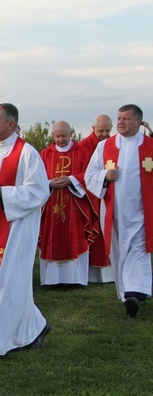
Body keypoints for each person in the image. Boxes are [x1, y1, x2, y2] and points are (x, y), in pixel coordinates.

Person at [0, 103, 51, 364]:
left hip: (17, 228)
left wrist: (4, 193)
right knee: (10, 284)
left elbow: (39, 191)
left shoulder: (27, 153)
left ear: (11, 124)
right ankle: (36, 326)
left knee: (5, 282)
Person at [85, 104, 153, 318]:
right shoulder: (105, 146)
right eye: (119, 118)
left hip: (143, 212)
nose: (121, 122)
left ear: (138, 122)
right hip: (114, 211)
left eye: (126, 118)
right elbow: (90, 174)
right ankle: (128, 295)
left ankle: (137, 292)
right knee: (119, 252)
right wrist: (105, 175)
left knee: (139, 250)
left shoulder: (150, 146)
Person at [38, 121, 95, 286]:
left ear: (71, 134)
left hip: (75, 205)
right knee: (51, 238)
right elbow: (36, 178)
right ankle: (52, 280)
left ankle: (74, 279)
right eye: (57, 136)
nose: (60, 140)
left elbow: (89, 175)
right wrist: (49, 183)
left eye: (64, 136)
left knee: (75, 237)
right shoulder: (45, 154)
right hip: (51, 204)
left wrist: (71, 180)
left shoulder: (83, 153)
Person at [78, 114, 115, 283]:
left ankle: (110, 272)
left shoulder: (113, 145)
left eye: (108, 130)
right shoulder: (83, 147)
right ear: (93, 129)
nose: (105, 134)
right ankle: (92, 274)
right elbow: (83, 174)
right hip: (88, 197)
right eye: (101, 130)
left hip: (108, 195)